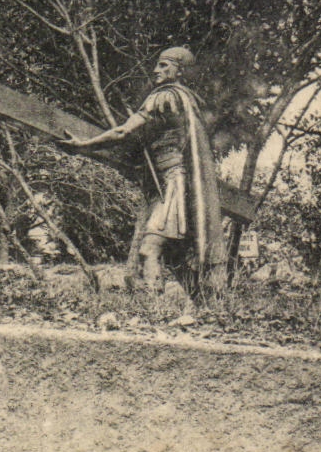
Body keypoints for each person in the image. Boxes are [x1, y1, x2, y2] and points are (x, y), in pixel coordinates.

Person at [60, 46, 227, 297]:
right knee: (169, 255)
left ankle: (155, 307)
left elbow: (122, 132)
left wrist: (83, 145)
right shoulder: (187, 99)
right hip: (173, 182)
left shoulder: (163, 97)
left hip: (173, 183)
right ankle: (206, 302)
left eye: (164, 66)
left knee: (149, 249)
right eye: (158, 65)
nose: (156, 70)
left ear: (179, 71)